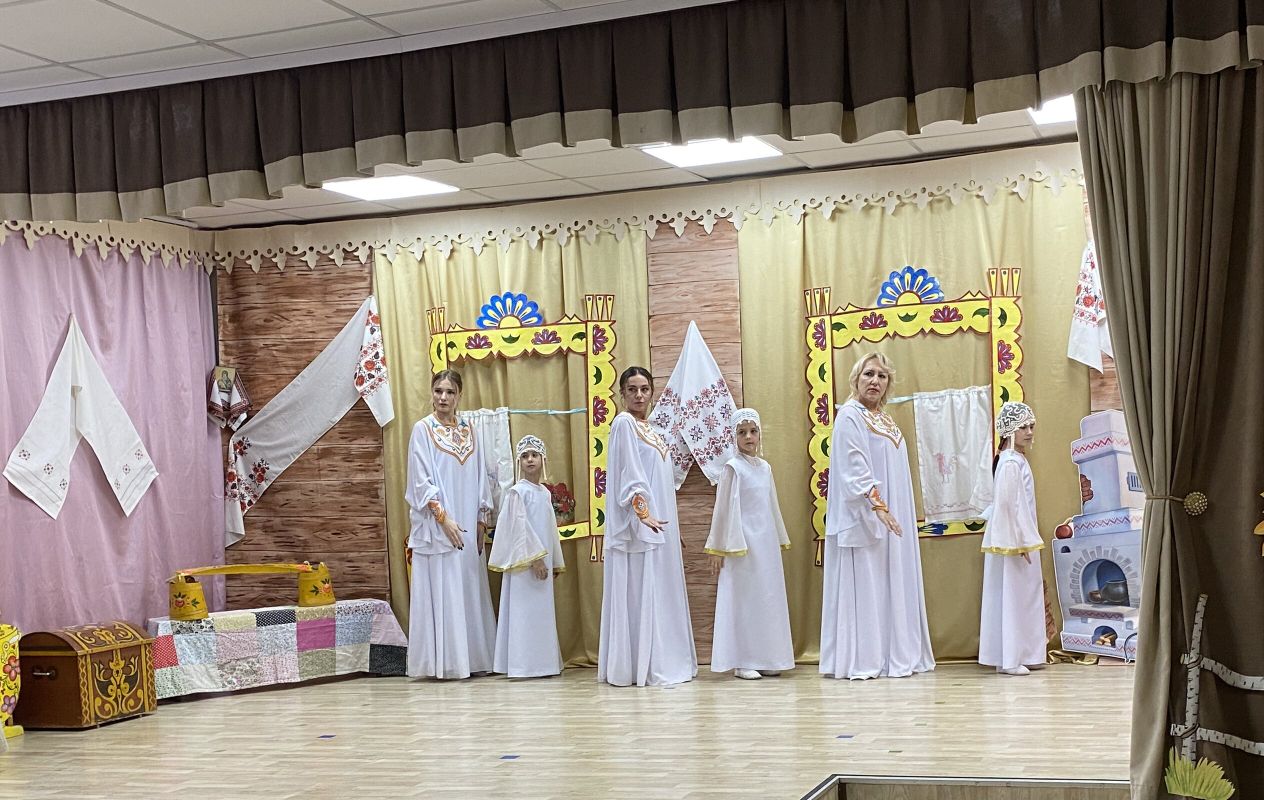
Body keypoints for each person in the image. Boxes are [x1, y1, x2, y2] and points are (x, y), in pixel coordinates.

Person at [821, 353, 935, 680]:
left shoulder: (884, 418)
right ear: (856, 379)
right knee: (870, 582)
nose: (875, 381)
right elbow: (854, 464)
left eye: (882, 376)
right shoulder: (850, 415)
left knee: (891, 579)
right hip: (866, 518)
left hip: (890, 518)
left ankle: (893, 651)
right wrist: (878, 505)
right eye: (869, 374)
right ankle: (866, 656)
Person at [597, 366, 697, 686]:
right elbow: (630, 473)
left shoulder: (654, 431)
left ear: (652, 392)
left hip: (659, 526)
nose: (639, 395)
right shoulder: (624, 424)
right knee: (644, 588)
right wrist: (643, 513)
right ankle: (642, 663)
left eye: (644, 389)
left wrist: (672, 525)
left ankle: (661, 658)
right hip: (641, 528)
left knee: (661, 589)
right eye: (632, 390)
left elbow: (661, 482)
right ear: (622, 394)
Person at [404, 369, 497, 679]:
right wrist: (444, 519)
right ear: (432, 393)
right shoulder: (422, 429)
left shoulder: (471, 429)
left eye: (450, 392)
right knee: (445, 585)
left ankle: (472, 659)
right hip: (438, 525)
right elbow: (420, 481)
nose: (443, 397)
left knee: (468, 585)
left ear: (459, 395)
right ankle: (444, 663)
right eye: (438, 391)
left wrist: (481, 520)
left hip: (468, 523)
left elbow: (481, 476)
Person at [706, 408, 795, 680]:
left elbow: (771, 506)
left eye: (753, 431)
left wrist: (777, 537)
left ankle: (767, 657)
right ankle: (743, 660)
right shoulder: (733, 469)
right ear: (734, 437)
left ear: (759, 434)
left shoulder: (765, 468)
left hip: (764, 545)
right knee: (744, 601)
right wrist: (718, 547)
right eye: (742, 432)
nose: (748, 437)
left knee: (766, 599)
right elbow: (723, 509)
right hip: (741, 545)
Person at [978, 401, 1047, 676]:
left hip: (1022, 537)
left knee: (1025, 596)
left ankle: (1027, 652)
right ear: (1009, 430)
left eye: (1031, 426)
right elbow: (1008, 505)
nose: (1029, 432)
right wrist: (1019, 540)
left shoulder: (1017, 460)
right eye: (1023, 427)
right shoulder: (1009, 463)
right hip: (1014, 540)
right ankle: (1009, 658)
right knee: (1013, 596)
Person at [489, 435, 565, 678]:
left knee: (540, 612)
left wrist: (554, 561)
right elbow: (518, 528)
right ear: (519, 462)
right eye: (524, 456)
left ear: (543, 459)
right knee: (523, 611)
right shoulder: (517, 492)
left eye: (534, 455)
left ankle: (542, 663)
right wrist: (535, 558)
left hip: (543, 563)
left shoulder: (544, 493)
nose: (530, 459)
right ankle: (522, 665)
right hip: (525, 565)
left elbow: (550, 529)